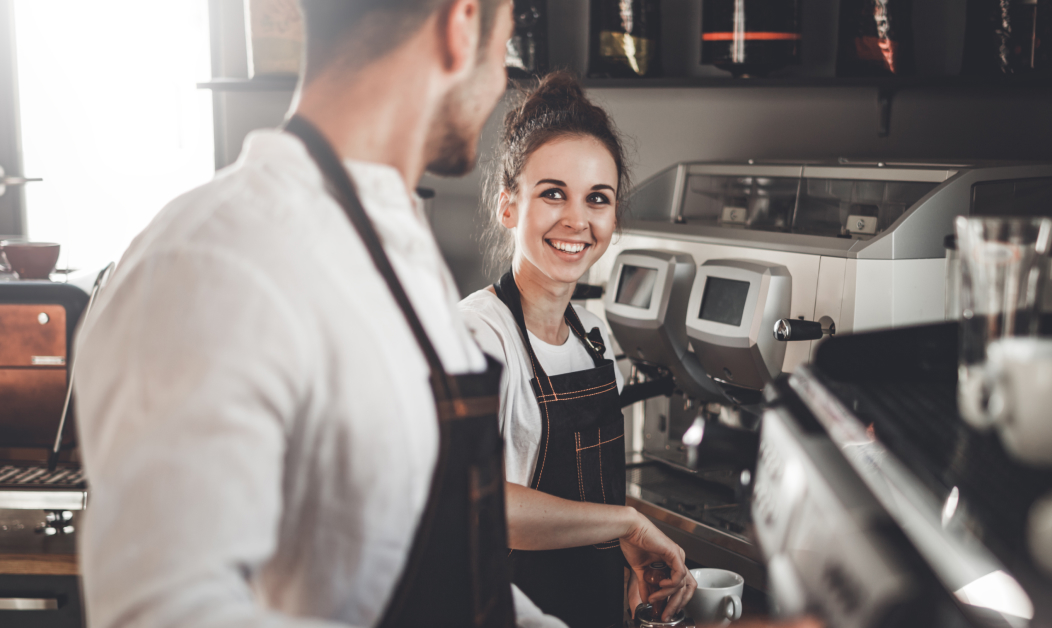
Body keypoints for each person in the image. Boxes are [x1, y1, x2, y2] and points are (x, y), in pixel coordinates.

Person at [69, 2, 682, 627]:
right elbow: (163, 613)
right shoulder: (214, 256)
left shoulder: (396, 255)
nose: (500, 79)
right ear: (461, 25)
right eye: (502, 45)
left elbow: (440, 557)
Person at [459, 71, 697, 628]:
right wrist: (627, 523)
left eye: (597, 199)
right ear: (507, 206)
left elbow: (590, 506)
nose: (577, 220)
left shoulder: (593, 337)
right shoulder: (478, 335)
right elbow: (477, 504)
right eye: (553, 194)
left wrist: (630, 570)